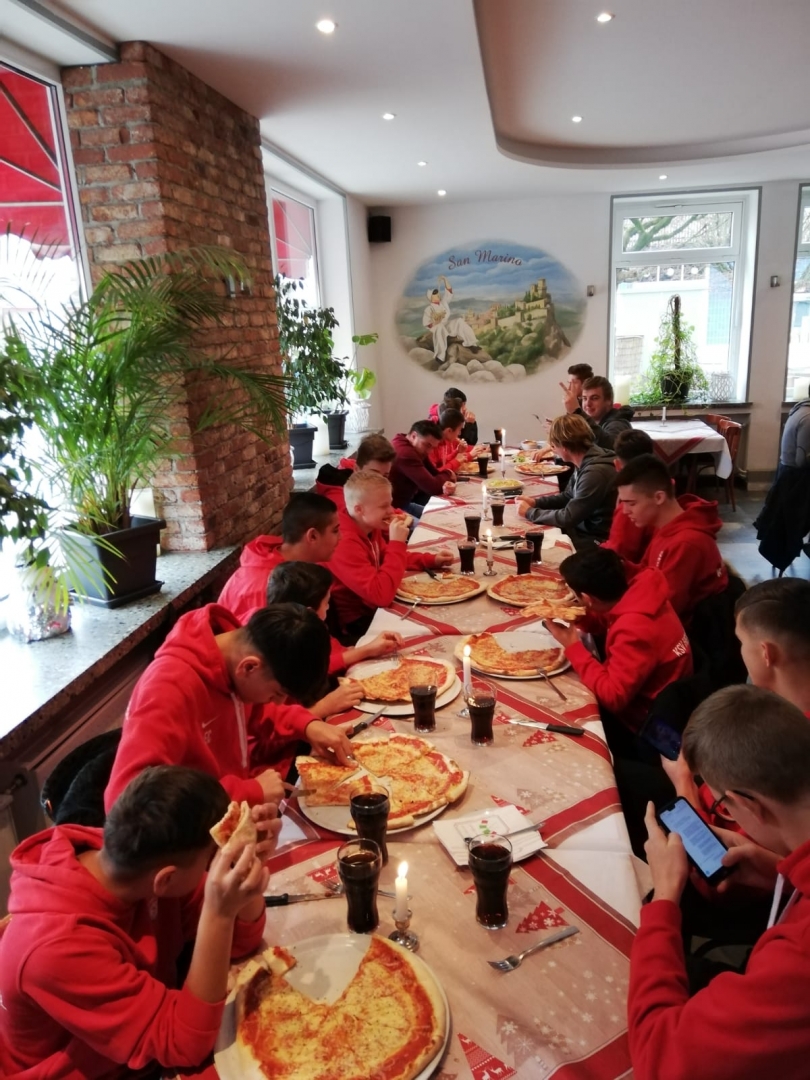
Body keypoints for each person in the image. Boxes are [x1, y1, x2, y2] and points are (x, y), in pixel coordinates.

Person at [0, 765, 274, 1078]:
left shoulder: (137, 857)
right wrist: (220, 913)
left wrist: (245, 867)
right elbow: (184, 1044)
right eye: (209, 861)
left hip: (145, 1034)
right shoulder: (56, 949)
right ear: (165, 880)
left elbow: (240, 942)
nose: (211, 868)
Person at [629, 685, 810, 1080]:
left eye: (722, 805)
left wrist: (664, 898)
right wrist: (778, 873)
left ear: (750, 805)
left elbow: (658, 1061)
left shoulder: (797, 960)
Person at [104, 603, 351, 811]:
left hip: (231, 811)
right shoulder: (168, 689)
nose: (277, 702)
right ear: (249, 667)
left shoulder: (234, 655)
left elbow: (256, 708)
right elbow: (127, 802)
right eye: (277, 694)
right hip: (195, 836)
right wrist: (247, 792)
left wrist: (307, 725)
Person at [544, 547, 692, 743]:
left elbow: (613, 698)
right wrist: (582, 616)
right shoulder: (641, 591)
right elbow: (609, 617)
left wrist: (573, 647)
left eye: (576, 596)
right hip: (670, 701)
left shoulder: (634, 629)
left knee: (554, 712)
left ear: (587, 599)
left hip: (646, 724)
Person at [329, 470, 454, 639]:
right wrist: (397, 543)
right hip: (357, 622)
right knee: (436, 627)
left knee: (443, 605)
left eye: (390, 504)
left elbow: (386, 557)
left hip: (376, 605)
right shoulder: (343, 541)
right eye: (383, 506)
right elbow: (381, 596)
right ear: (359, 509)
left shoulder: (368, 524)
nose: (392, 511)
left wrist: (432, 559)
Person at [615, 453, 727, 621]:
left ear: (659, 497)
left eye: (632, 503)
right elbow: (647, 572)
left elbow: (665, 610)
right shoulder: (666, 527)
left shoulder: (685, 543)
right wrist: (617, 566)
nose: (625, 511)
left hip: (688, 629)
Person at [218, 492, 340, 624]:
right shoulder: (270, 588)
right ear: (312, 536)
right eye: (335, 531)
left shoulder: (292, 568)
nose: (341, 537)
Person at [266, 561, 403, 676]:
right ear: (309, 613)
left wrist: (368, 648)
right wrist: (366, 650)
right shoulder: (292, 643)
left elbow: (336, 652)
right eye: (327, 603)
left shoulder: (307, 626)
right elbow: (320, 667)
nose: (328, 607)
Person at [516, 414, 617, 546]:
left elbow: (568, 518)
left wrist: (530, 513)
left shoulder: (594, 473)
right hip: (583, 529)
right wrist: (536, 502)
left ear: (563, 445)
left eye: (553, 446)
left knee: (534, 543)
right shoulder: (586, 458)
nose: (553, 450)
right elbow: (569, 496)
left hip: (596, 538)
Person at [603, 428, 657, 563]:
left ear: (617, 465)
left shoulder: (629, 509)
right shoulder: (663, 485)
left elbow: (618, 555)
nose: (627, 508)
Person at [390, 420, 457, 515]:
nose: (429, 451)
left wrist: (446, 479)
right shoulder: (405, 453)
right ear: (413, 436)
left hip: (405, 503)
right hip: (394, 509)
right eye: (427, 445)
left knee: (446, 514)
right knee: (438, 520)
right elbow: (432, 487)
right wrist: (449, 474)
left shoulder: (410, 444)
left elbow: (434, 473)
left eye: (433, 448)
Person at [314, 433, 396, 509]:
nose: (380, 482)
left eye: (385, 476)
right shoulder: (340, 501)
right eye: (374, 474)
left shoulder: (368, 490)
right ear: (356, 469)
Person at [561, 375, 634, 449]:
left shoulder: (618, 423)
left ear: (608, 400)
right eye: (585, 398)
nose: (588, 404)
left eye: (594, 398)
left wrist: (577, 412)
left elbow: (609, 447)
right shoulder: (593, 421)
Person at [422, 276, 479, 364]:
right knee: (440, 327)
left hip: (446, 325)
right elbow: (426, 323)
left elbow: (449, 292)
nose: (438, 296)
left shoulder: (443, 303)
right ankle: (440, 356)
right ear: (431, 298)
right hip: (437, 327)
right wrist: (435, 322)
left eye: (438, 294)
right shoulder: (429, 309)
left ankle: (471, 343)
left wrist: (445, 279)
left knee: (459, 321)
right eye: (435, 295)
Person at [428, 407, 472, 472]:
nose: (460, 433)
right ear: (449, 431)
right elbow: (434, 473)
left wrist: (457, 452)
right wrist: (456, 461)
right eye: (459, 430)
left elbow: (441, 462)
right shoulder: (431, 444)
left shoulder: (443, 439)